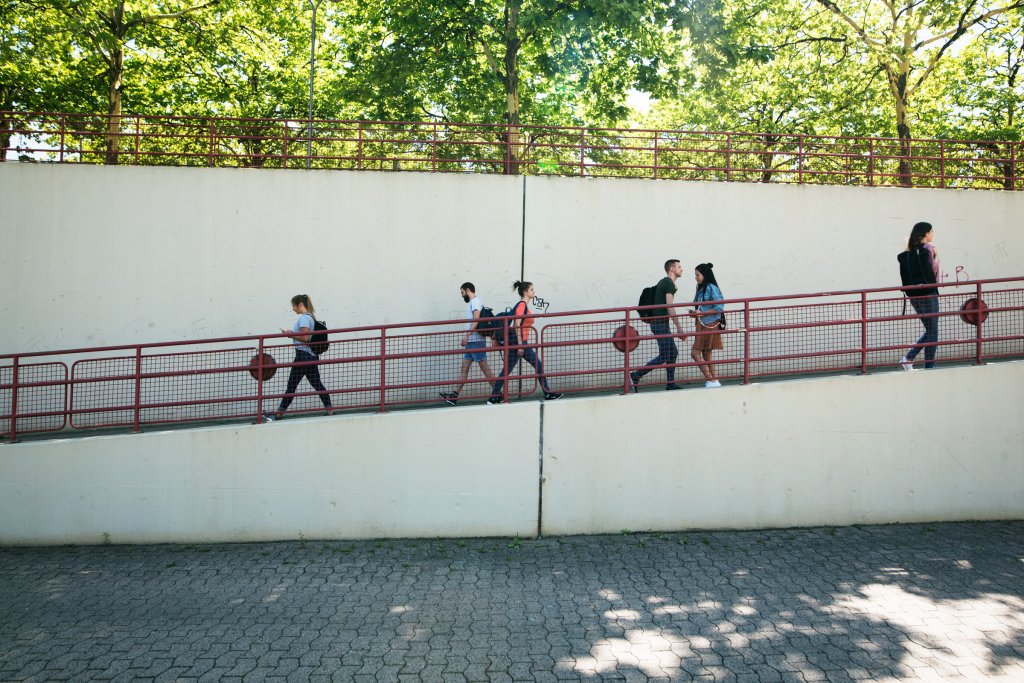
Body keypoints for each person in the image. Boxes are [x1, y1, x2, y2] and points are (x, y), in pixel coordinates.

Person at [489, 281, 562, 404]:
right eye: (532, 290)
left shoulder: (524, 305)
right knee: (537, 366)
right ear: (525, 292)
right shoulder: (522, 305)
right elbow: (517, 325)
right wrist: (520, 345)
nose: (534, 292)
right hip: (520, 343)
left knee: (507, 370)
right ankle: (548, 393)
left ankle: (494, 396)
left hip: (520, 342)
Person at [263, 294, 333, 421]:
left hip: (303, 357)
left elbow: (305, 338)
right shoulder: (310, 317)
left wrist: (290, 335)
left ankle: (278, 414)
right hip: (310, 357)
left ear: (300, 304)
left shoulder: (304, 319)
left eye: (294, 306)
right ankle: (329, 409)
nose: (293, 309)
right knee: (317, 385)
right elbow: (306, 336)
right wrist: (293, 334)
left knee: (291, 386)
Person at [630, 259, 686, 391]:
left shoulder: (664, 282)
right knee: (665, 355)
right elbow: (669, 306)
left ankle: (670, 384)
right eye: (679, 267)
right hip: (660, 323)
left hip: (659, 323)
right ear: (671, 269)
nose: (681, 269)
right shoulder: (668, 283)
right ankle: (635, 375)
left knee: (672, 353)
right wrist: (679, 328)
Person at [439, 282, 496, 406]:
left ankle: (498, 393)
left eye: (462, 292)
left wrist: (466, 336)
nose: (461, 295)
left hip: (476, 341)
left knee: (485, 369)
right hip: (471, 343)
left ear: (468, 290)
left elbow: (476, 320)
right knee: (464, 369)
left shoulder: (475, 302)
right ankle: (454, 396)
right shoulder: (472, 303)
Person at [899, 222, 941, 370]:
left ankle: (908, 358)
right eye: (932, 231)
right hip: (928, 292)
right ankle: (928, 367)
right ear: (926, 233)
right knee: (933, 331)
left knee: (930, 330)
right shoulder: (929, 249)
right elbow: (934, 271)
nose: (933, 234)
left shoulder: (909, 250)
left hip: (914, 295)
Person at [689, 263, 725, 388]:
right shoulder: (700, 287)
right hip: (703, 323)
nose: (696, 277)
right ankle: (714, 380)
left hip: (710, 324)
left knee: (695, 352)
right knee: (707, 354)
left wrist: (702, 313)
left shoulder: (711, 287)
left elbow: (719, 306)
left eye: (697, 275)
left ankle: (710, 379)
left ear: (705, 275)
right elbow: (701, 306)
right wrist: (695, 313)